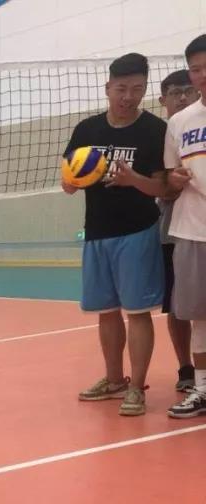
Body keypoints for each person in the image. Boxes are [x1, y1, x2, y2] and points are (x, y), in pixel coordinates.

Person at [62, 53, 169, 416]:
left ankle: (136, 388)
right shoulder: (87, 130)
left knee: (137, 312)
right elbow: (68, 182)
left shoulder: (154, 130)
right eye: (121, 88)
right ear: (107, 87)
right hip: (96, 232)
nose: (128, 96)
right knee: (106, 312)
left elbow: (164, 188)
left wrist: (132, 179)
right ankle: (113, 380)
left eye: (137, 89)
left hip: (137, 232)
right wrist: (74, 180)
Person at [164, 34, 206, 419]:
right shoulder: (179, 122)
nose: (202, 75)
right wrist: (173, 180)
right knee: (198, 315)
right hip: (193, 230)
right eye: (196, 69)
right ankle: (203, 388)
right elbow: (168, 177)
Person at [158, 69, 200, 393]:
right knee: (178, 305)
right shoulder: (162, 133)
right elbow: (162, 187)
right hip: (173, 230)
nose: (182, 97)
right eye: (175, 92)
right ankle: (187, 368)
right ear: (164, 100)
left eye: (187, 90)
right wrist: (170, 183)